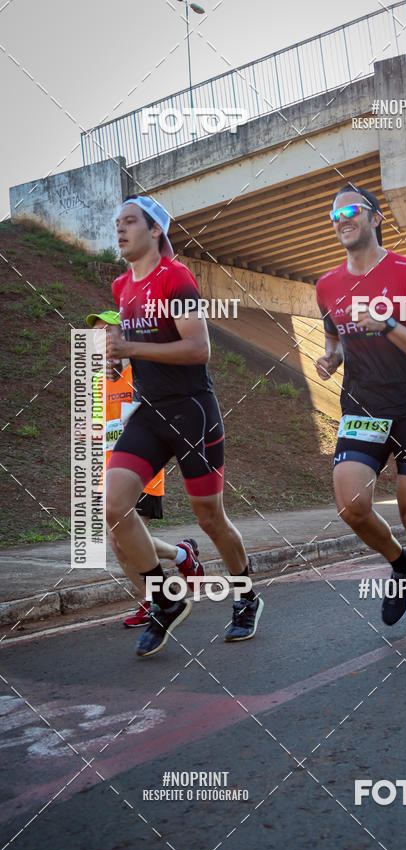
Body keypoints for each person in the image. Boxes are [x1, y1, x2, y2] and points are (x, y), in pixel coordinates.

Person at [104, 195, 262, 657]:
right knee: (114, 506)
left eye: (130, 221)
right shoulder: (121, 287)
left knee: (210, 519)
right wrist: (118, 358)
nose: (120, 229)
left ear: (155, 230)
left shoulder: (175, 277)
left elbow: (198, 349)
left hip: (193, 413)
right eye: (117, 223)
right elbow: (139, 347)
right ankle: (165, 599)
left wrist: (131, 349)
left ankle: (246, 596)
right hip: (150, 414)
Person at [315, 184, 406, 636]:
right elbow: (335, 337)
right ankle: (401, 562)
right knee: (351, 506)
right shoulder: (327, 285)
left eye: (352, 211)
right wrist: (331, 358)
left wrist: (389, 323)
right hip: (363, 406)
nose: (342, 219)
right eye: (335, 215)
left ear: (375, 218)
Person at [88, 310, 202, 628]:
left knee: (121, 541)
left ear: (123, 335)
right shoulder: (98, 381)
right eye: (96, 333)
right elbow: (99, 424)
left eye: (106, 331)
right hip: (109, 473)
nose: (99, 338)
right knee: (119, 543)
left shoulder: (143, 374)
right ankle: (178, 561)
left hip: (141, 470)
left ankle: (157, 601)